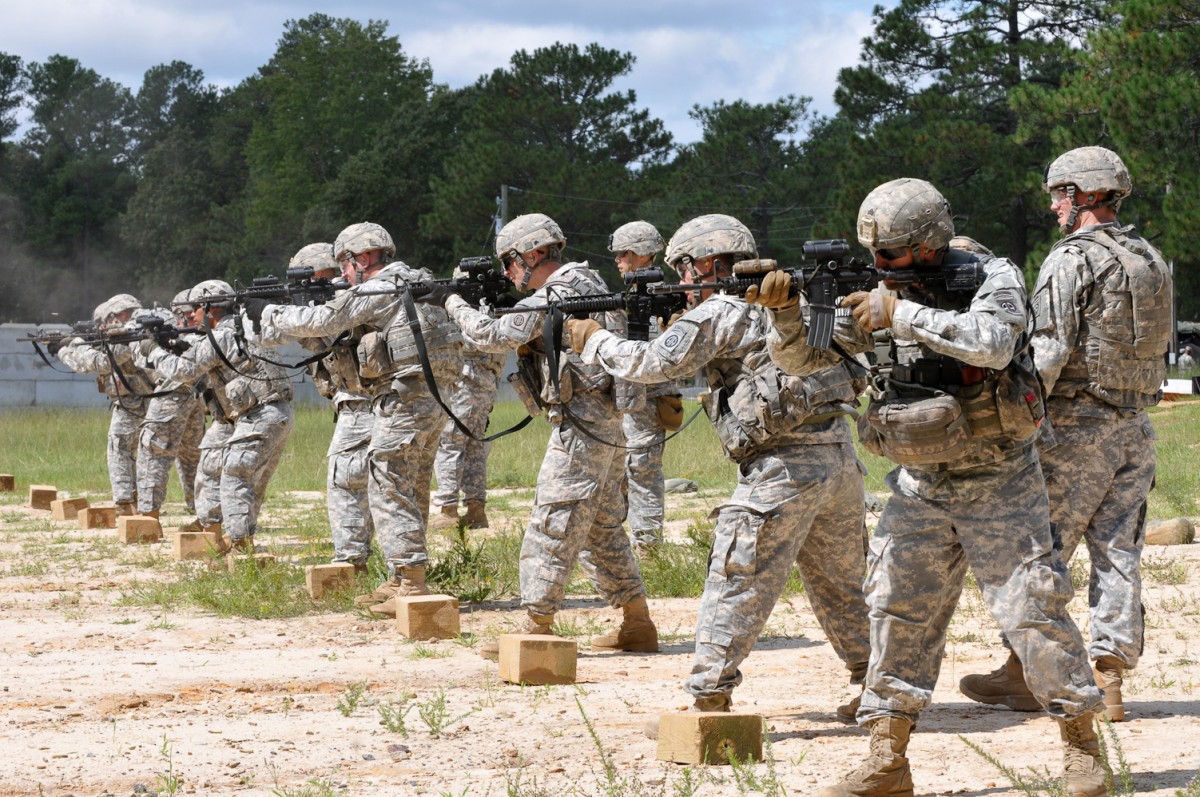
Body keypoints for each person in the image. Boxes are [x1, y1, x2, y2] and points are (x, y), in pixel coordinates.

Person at [762, 179, 1105, 797]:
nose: (879, 269)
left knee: (1034, 611)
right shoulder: (873, 293)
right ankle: (886, 758)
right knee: (896, 611)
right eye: (875, 257)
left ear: (928, 244)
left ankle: (1083, 749)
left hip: (1000, 478)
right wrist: (787, 316)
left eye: (890, 256)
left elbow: (996, 345)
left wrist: (904, 314)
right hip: (919, 482)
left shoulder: (991, 276)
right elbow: (806, 362)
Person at [568, 213, 871, 716]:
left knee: (735, 578)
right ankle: (876, 687)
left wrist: (594, 339)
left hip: (782, 471)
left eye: (686, 272)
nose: (683, 284)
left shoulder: (723, 310)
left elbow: (649, 365)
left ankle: (709, 695)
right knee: (843, 587)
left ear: (706, 263)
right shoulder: (797, 300)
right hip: (839, 461)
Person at [959, 146, 1171, 724]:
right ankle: (1109, 679)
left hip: (1076, 430)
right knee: (1119, 554)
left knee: (1039, 553)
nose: (1053, 206)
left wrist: (1013, 417)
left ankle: (1033, 670)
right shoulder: (1150, 258)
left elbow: (1047, 353)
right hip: (1135, 427)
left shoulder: (1071, 259)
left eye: (1059, 194)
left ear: (1081, 194)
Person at [431, 212, 657, 658]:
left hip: (583, 425)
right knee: (600, 527)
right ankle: (637, 621)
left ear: (534, 254)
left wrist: (453, 302)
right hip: (608, 423)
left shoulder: (557, 292)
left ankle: (537, 626)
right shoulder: (589, 283)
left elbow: (491, 335)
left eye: (511, 263)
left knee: (552, 519)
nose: (509, 273)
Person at [252, 223, 463, 616]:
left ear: (363, 258)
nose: (344, 275)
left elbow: (322, 323)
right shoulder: (411, 280)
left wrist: (266, 311)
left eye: (346, 266)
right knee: (408, 483)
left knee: (387, 477)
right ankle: (401, 575)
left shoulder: (381, 286)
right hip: (429, 395)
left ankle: (412, 583)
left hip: (406, 396)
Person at [139, 280, 295, 553]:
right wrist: (173, 344)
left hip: (263, 413)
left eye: (196, 310)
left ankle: (241, 547)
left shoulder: (223, 334)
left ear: (210, 309)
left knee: (236, 476)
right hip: (240, 417)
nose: (192, 317)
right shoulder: (232, 330)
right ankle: (213, 537)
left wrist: (154, 352)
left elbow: (184, 371)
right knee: (210, 464)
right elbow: (200, 357)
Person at [281, 242, 378, 571]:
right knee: (375, 485)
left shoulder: (352, 300)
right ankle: (366, 559)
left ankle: (352, 561)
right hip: (362, 404)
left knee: (345, 482)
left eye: (312, 280)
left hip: (364, 403)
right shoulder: (352, 299)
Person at [606, 221, 682, 550]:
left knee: (643, 470)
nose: (618, 260)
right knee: (622, 470)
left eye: (623, 254)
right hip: (625, 399)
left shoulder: (669, 298)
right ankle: (623, 539)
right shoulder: (627, 296)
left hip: (650, 400)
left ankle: (648, 548)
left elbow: (666, 352)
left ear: (643, 256)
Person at [57, 294, 155, 516]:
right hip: (150, 399)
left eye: (105, 322)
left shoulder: (128, 335)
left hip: (133, 401)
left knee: (119, 448)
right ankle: (137, 499)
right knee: (139, 451)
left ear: (120, 315)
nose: (103, 327)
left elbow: (98, 363)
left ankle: (124, 502)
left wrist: (66, 350)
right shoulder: (141, 328)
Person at [428, 262, 508, 532]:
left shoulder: (473, 312)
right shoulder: (494, 306)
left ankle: (448, 508)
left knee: (450, 441)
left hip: (466, 381)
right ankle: (476, 509)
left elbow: (469, 340)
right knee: (474, 445)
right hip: (485, 383)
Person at [134, 296, 206, 519]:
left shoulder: (200, 335)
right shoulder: (206, 334)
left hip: (173, 393)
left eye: (188, 313)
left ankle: (148, 516)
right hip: (195, 395)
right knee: (193, 455)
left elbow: (144, 360)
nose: (187, 317)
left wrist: (154, 348)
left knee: (153, 451)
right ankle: (203, 513)